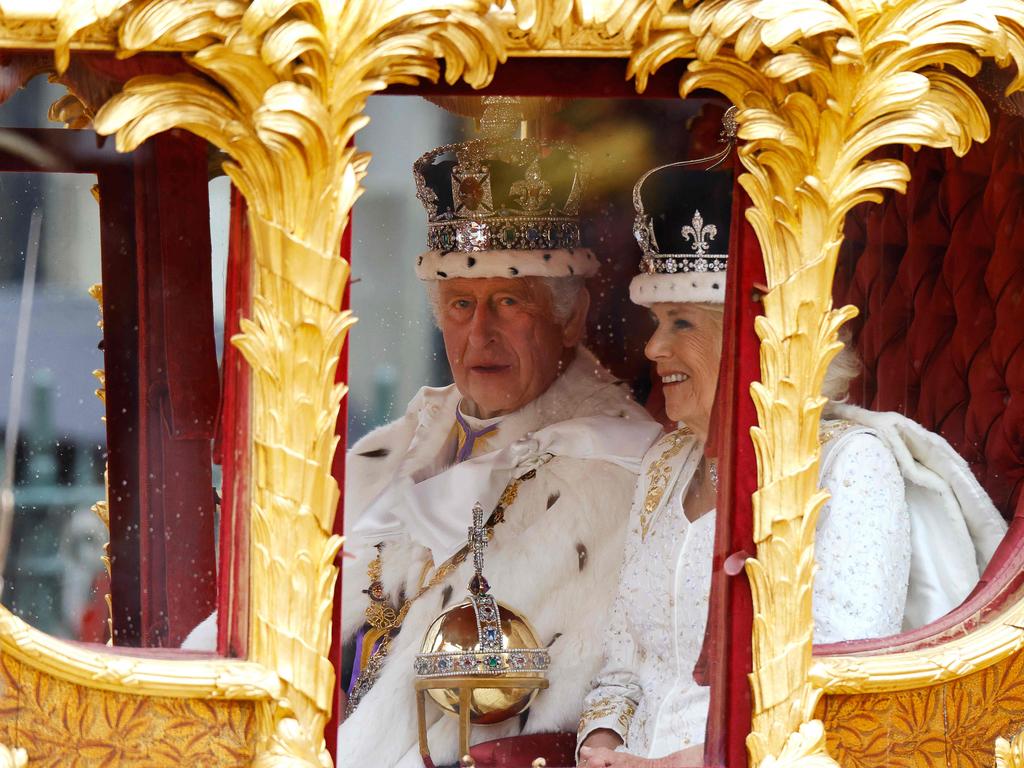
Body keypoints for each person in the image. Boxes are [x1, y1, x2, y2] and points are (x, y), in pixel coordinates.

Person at [576, 143, 1008, 768]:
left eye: (681, 324)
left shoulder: (850, 466)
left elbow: (839, 693)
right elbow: (624, 665)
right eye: (655, 322)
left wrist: (676, 765)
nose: (652, 349)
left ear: (754, 339)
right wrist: (602, 740)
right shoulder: (665, 465)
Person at [338, 108, 661, 768]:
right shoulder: (413, 435)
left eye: (509, 302)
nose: (478, 333)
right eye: (461, 304)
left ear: (571, 319)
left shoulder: (617, 473)